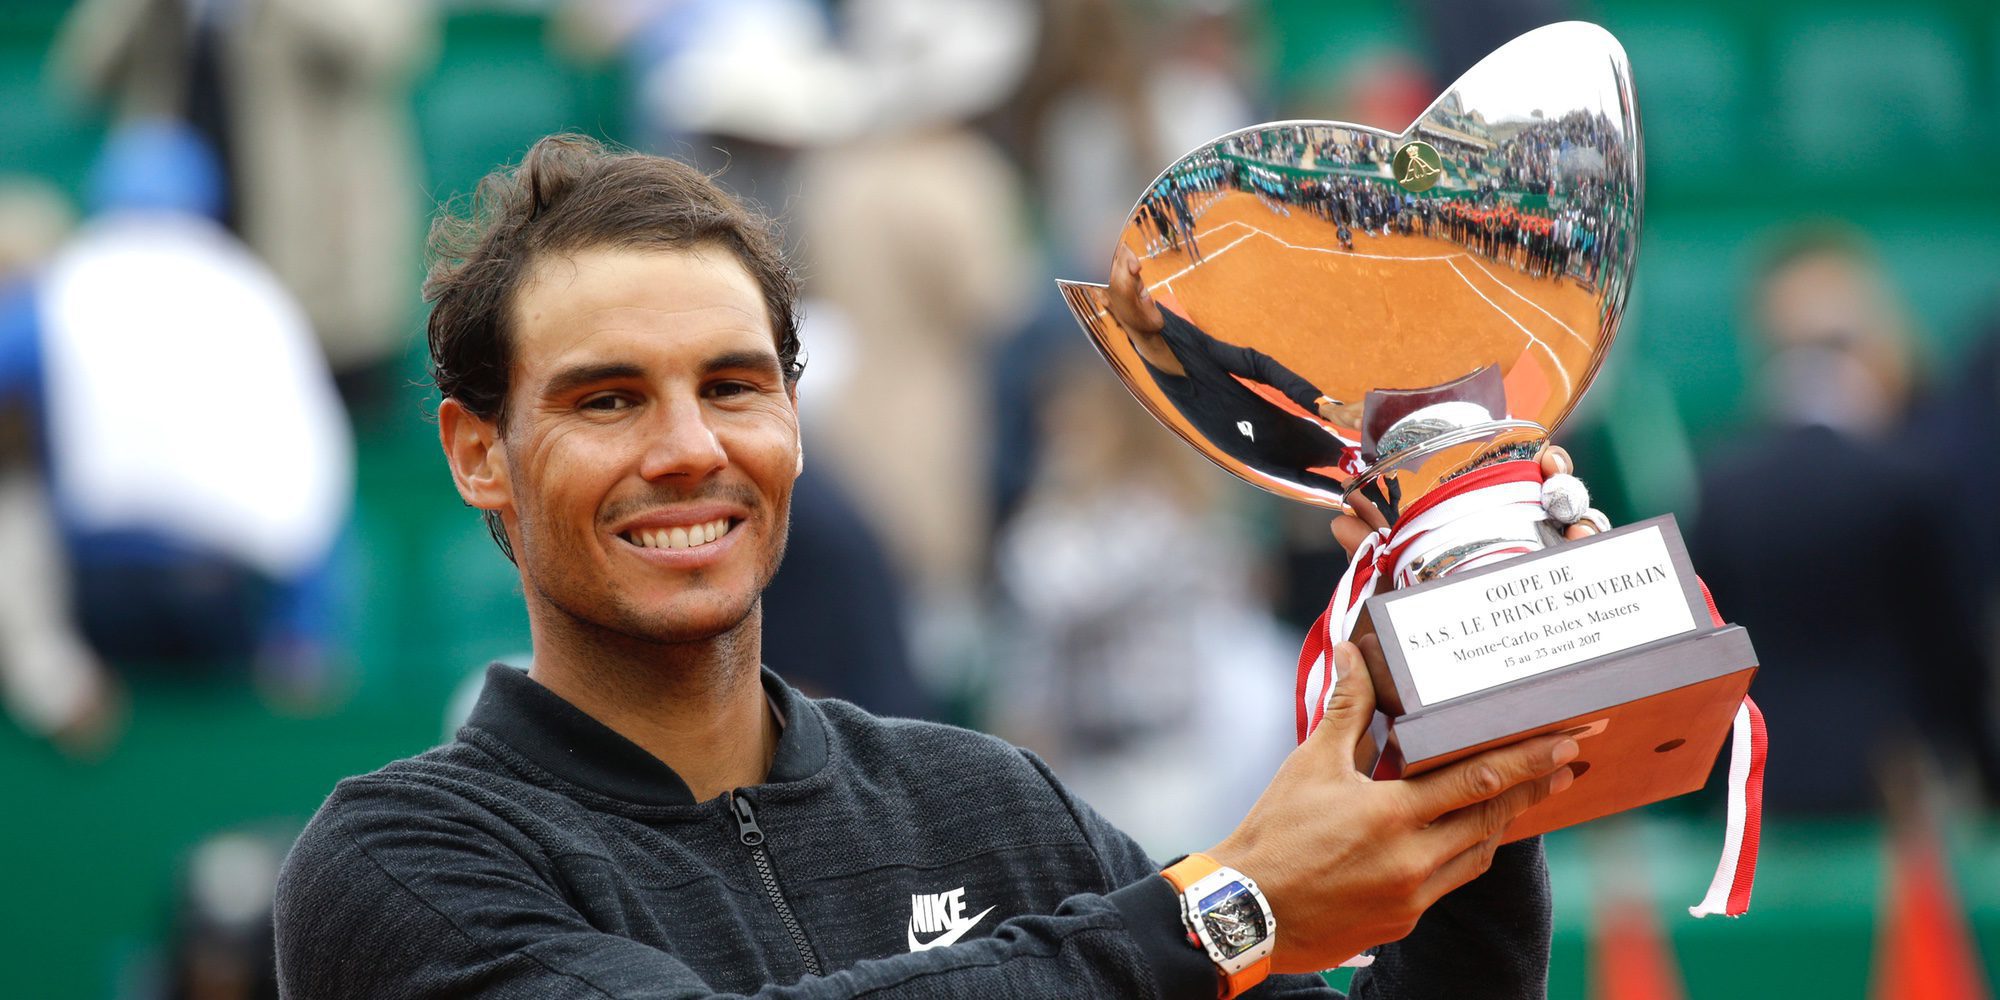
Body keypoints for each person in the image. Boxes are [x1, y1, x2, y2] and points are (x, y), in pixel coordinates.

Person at [273, 134, 1583, 998]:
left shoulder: (978, 801)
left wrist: (1462, 688)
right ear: (479, 453)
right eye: (607, 400)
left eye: (733, 386)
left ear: (794, 416)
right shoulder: (398, 863)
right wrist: (1222, 908)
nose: (686, 450)